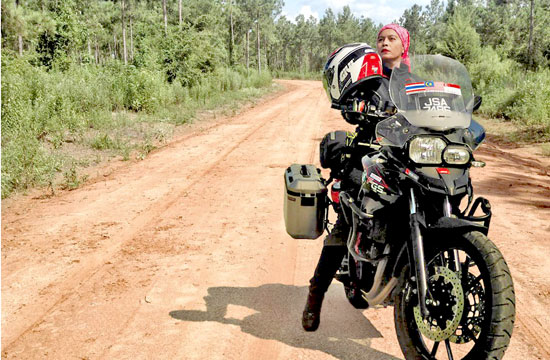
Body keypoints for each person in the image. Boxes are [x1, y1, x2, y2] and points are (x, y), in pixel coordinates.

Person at [302, 24, 411, 332]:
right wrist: (356, 107)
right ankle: (315, 294)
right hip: (370, 154)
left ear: (404, 44)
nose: (385, 43)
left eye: (392, 38)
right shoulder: (370, 79)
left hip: (408, 156)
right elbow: (349, 111)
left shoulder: (415, 82)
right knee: (348, 220)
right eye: (381, 39)